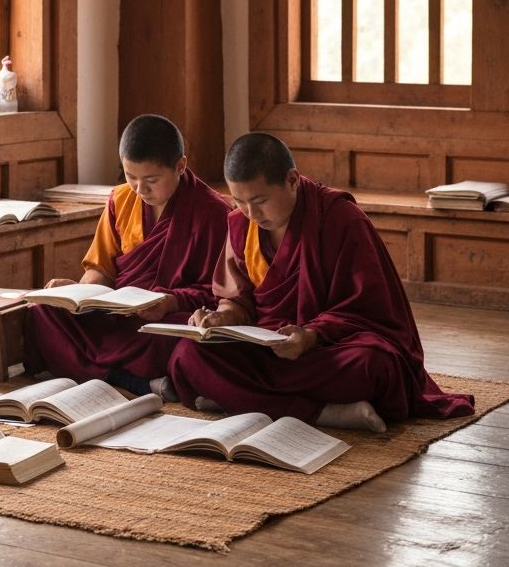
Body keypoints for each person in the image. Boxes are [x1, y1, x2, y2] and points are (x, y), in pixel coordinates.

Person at [169, 132, 474, 432]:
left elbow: (369, 309)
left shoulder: (339, 218)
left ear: (292, 180)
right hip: (266, 347)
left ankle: (239, 397)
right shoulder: (240, 224)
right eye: (239, 202)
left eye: (260, 201)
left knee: (374, 366)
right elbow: (238, 299)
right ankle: (325, 413)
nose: (251, 213)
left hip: (324, 350)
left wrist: (311, 335)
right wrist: (222, 316)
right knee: (188, 353)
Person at [24, 115, 230, 396]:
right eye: (131, 177)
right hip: (116, 315)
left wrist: (169, 302)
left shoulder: (213, 212)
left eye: (151, 180)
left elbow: (218, 294)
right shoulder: (120, 199)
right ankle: (136, 382)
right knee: (42, 313)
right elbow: (102, 271)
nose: (140, 189)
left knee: (186, 337)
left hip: (161, 321)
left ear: (180, 166)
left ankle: (96, 372)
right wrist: (75, 293)